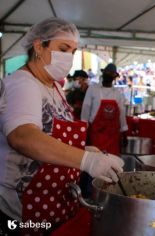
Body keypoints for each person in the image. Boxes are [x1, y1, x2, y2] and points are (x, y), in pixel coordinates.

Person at [0, 18, 124, 235]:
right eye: (63, 49)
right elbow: (23, 136)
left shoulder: (54, 88)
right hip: (22, 212)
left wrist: (86, 150)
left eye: (74, 51)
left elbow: (50, 137)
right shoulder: (23, 84)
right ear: (39, 46)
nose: (69, 57)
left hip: (55, 202)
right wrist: (87, 160)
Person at [81, 63, 128, 155]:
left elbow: (121, 113)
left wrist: (124, 133)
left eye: (112, 74)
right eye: (107, 73)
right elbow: (86, 108)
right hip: (96, 134)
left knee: (112, 162)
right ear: (103, 74)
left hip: (112, 136)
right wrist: (84, 130)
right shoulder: (93, 89)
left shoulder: (117, 93)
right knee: (96, 161)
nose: (109, 75)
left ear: (114, 77)